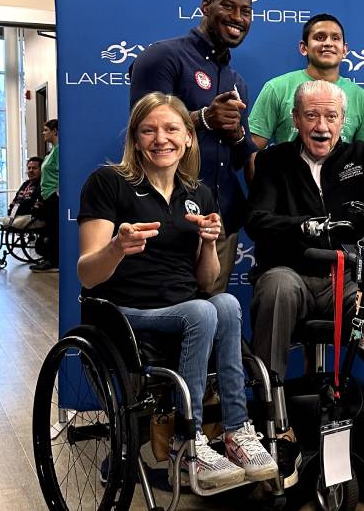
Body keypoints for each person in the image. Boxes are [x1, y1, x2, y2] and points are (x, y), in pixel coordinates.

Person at [76, 92, 276, 490]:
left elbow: (205, 281)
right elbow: (87, 274)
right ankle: (190, 444)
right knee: (202, 311)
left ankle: (236, 432)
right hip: (125, 313)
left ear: (188, 137)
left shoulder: (197, 193)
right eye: (148, 130)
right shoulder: (109, 182)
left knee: (226, 303)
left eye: (171, 129)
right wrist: (117, 247)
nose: (160, 139)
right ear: (135, 139)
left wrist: (206, 243)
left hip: (183, 309)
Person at [245, 80, 364, 502]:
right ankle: (280, 431)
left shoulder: (363, 156)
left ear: (344, 120)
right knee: (276, 286)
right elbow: (257, 219)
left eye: (330, 116)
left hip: (350, 279)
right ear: (295, 120)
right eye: (312, 116)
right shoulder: (274, 160)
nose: (321, 126)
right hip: (293, 272)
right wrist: (301, 227)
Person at [129, 0, 255, 295]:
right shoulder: (163, 57)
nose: (238, 17)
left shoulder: (236, 80)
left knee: (213, 309)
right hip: (168, 215)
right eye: (228, 6)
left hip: (220, 218)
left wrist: (237, 132)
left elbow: (242, 157)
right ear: (205, 7)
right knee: (169, 311)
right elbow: (143, 130)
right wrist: (204, 118)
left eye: (246, 11)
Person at [248, 13, 364, 152]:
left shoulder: (362, 98)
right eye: (319, 38)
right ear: (304, 48)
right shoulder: (277, 88)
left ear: (345, 50)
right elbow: (253, 151)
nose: (328, 43)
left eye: (335, 38)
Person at [31, 120, 59, 272]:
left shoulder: (59, 150)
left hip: (53, 197)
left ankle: (53, 262)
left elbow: (63, 173)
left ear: (55, 131)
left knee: (53, 231)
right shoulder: (52, 151)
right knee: (48, 230)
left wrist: (57, 192)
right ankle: (48, 259)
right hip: (46, 196)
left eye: (46, 130)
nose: (43, 133)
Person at [2, 156, 43, 229]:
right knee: (5, 220)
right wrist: (11, 210)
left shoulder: (42, 185)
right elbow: (15, 200)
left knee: (15, 223)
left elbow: (37, 207)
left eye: (34, 168)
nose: (30, 170)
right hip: (17, 215)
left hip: (30, 216)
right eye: (29, 168)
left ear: (41, 170)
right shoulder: (25, 184)